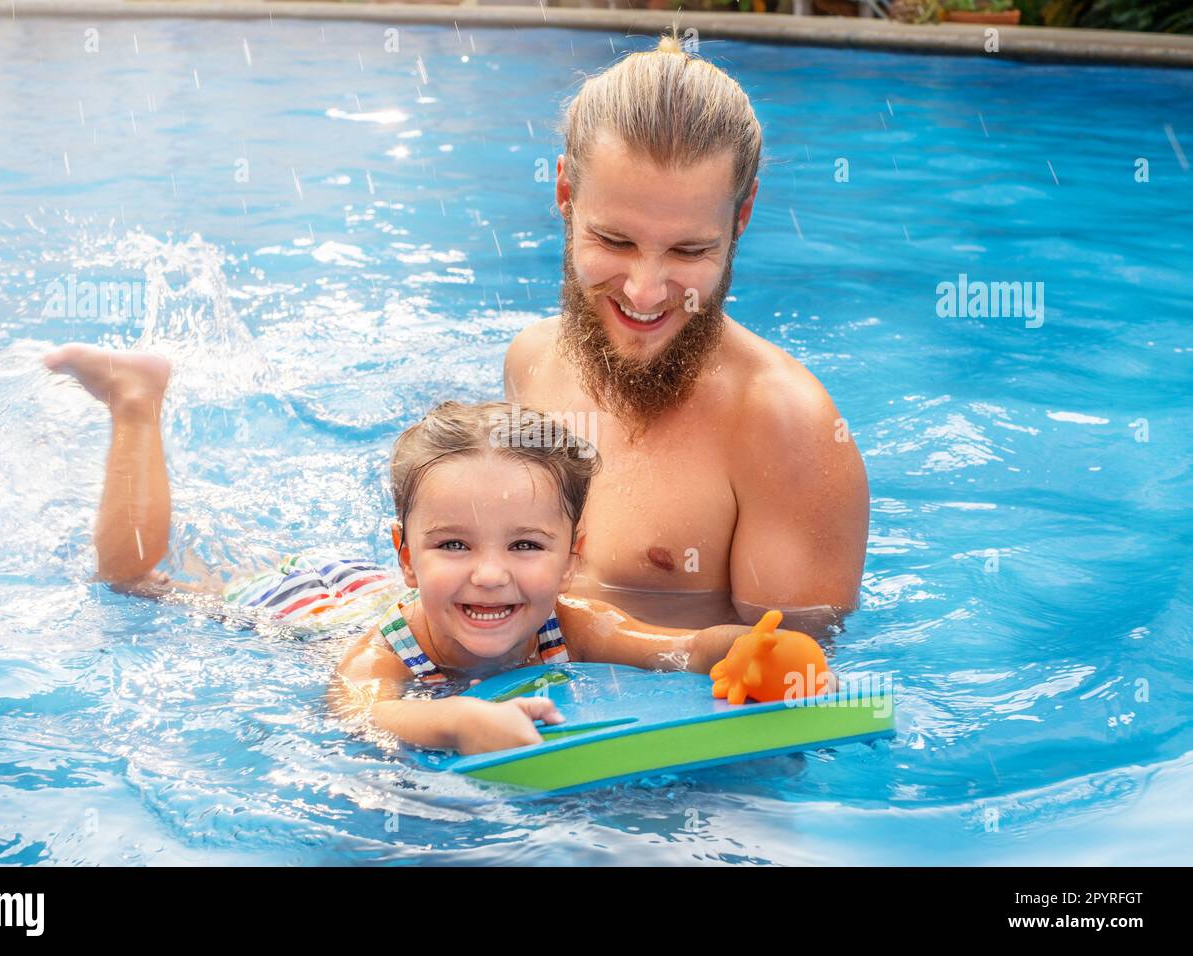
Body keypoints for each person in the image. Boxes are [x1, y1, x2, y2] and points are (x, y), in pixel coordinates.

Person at [42, 345, 753, 755]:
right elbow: (356, 709)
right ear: (408, 555)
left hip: (380, 584)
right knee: (138, 581)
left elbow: (676, 650)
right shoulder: (382, 653)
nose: (490, 574)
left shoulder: (570, 621)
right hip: (311, 606)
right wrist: (454, 718)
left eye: (527, 545)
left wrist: (746, 651)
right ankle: (136, 401)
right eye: (453, 543)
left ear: (573, 558)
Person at [505, 33, 869, 635]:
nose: (645, 293)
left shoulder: (788, 431)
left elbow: (787, 686)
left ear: (742, 217)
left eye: (689, 249)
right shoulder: (533, 359)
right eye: (615, 241)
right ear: (566, 194)